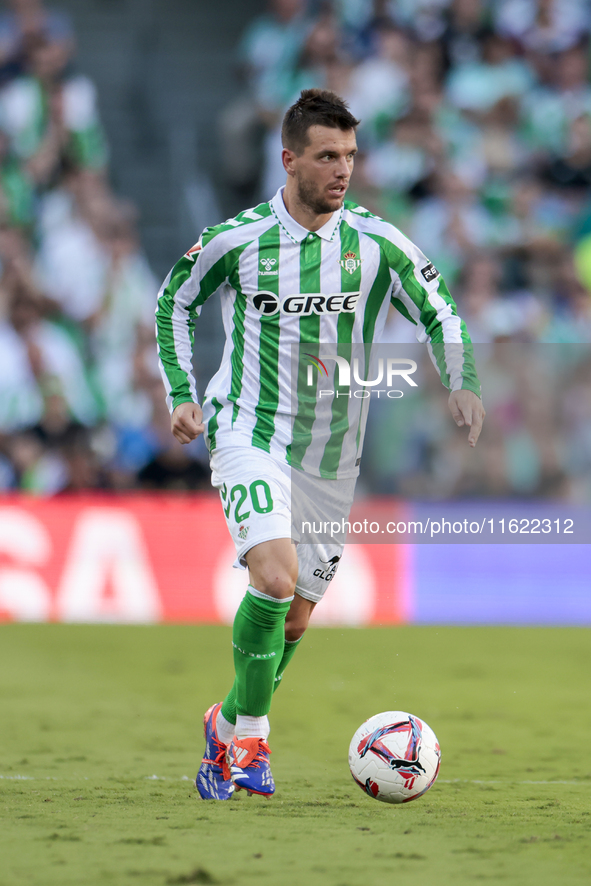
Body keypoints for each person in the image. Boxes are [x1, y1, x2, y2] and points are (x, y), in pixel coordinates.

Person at [155, 88, 485, 800]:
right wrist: (181, 390)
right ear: (289, 159)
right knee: (273, 579)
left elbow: (441, 311)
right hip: (249, 429)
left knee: (296, 615)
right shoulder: (238, 239)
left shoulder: (377, 244)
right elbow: (175, 298)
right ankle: (251, 742)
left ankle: (226, 720)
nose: (342, 170)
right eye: (327, 156)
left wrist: (461, 380)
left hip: (331, 454)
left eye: (350, 156)